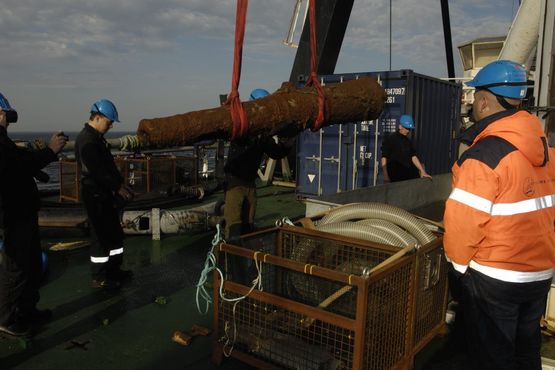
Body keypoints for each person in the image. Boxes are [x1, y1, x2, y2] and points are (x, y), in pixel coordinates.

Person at [444, 60, 555, 369]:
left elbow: (463, 227)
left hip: (496, 279)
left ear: (483, 101)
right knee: (526, 351)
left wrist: (459, 272)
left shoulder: (484, 155)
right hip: (540, 273)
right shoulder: (546, 150)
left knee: (493, 357)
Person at [0, 92, 67, 337]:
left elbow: (21, 161)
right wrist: (50, 151)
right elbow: (20, 165)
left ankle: (27, 310)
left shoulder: (4, 141)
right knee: (15, 269)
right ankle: (6, 319)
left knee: (31, 264)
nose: (7, 119)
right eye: (6, 114)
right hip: (14, 214)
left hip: (24, 212)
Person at [223, 88, 293, 282]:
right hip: (235, 183)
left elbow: (276, 153)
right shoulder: (242, 128)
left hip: (249, 184)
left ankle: (247, 274)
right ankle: (234, 277)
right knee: (234, 229)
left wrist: (288, 142)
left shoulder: (263, 136)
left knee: (247, 228)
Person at [75, 99, 133, 290]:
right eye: (109, 122)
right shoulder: (87, 141)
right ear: (97, 117)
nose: (110, 126)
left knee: (114, 235)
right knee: (100, 237)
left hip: (104, 193)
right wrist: (117, 186)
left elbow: (108, 166)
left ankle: (114, 271)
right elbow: (97, 170)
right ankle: (99, 278)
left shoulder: (97, 139)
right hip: (95, 195)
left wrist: (119, 183)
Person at [380, 114, 431, 182]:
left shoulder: (408, 142)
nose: (408, 131)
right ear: (400, 126)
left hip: (405, 178)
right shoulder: (391, 140)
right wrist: (386, 175)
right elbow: (384, 157)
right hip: (394, 178)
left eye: (409, 129)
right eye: (406, 128)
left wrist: (422, 171)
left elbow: (413, 157)